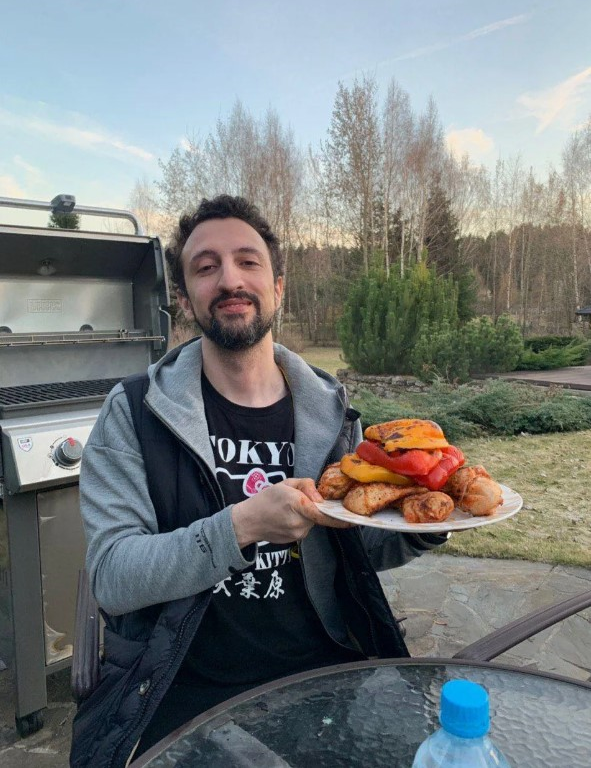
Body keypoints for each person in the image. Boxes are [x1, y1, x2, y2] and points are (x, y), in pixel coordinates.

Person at [70, 195, 448, 768]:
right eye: (206, 267)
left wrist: (427, 522)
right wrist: (240, 527)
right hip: (178, 688)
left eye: (248, 261)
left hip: (322, 675)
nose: (230, 280)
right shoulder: (134, 412)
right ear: (184, 297)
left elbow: (359, 546)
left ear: (278, 287)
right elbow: (113, 577)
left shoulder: (331, 411)